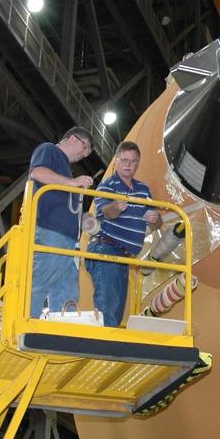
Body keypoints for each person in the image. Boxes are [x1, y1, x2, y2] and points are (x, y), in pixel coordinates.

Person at [86, 141, 161, 327]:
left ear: (138, 164)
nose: (128, 164)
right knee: (108, 306)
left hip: (124, 255)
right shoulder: (107, 185)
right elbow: (106, 213)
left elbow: (159, 222)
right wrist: (116, 207)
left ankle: (107, 348)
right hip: (106, 248)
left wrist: (155, 218)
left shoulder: (143, 190)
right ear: (117, 161)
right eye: (125, 160)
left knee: (117, 308)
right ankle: (104, 349)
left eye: (133, 161)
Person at [27, 127, 94, 316]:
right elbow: (37, 173)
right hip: (52, 232)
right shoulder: (49, 150)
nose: (84, 154)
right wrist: (72, 183)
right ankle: (23, 324)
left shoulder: (65, 170)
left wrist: (81, 219)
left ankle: (59, 332)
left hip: (67, 239)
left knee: (68, 293)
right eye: (85, 147)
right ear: (72, 138)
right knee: (39, 282)